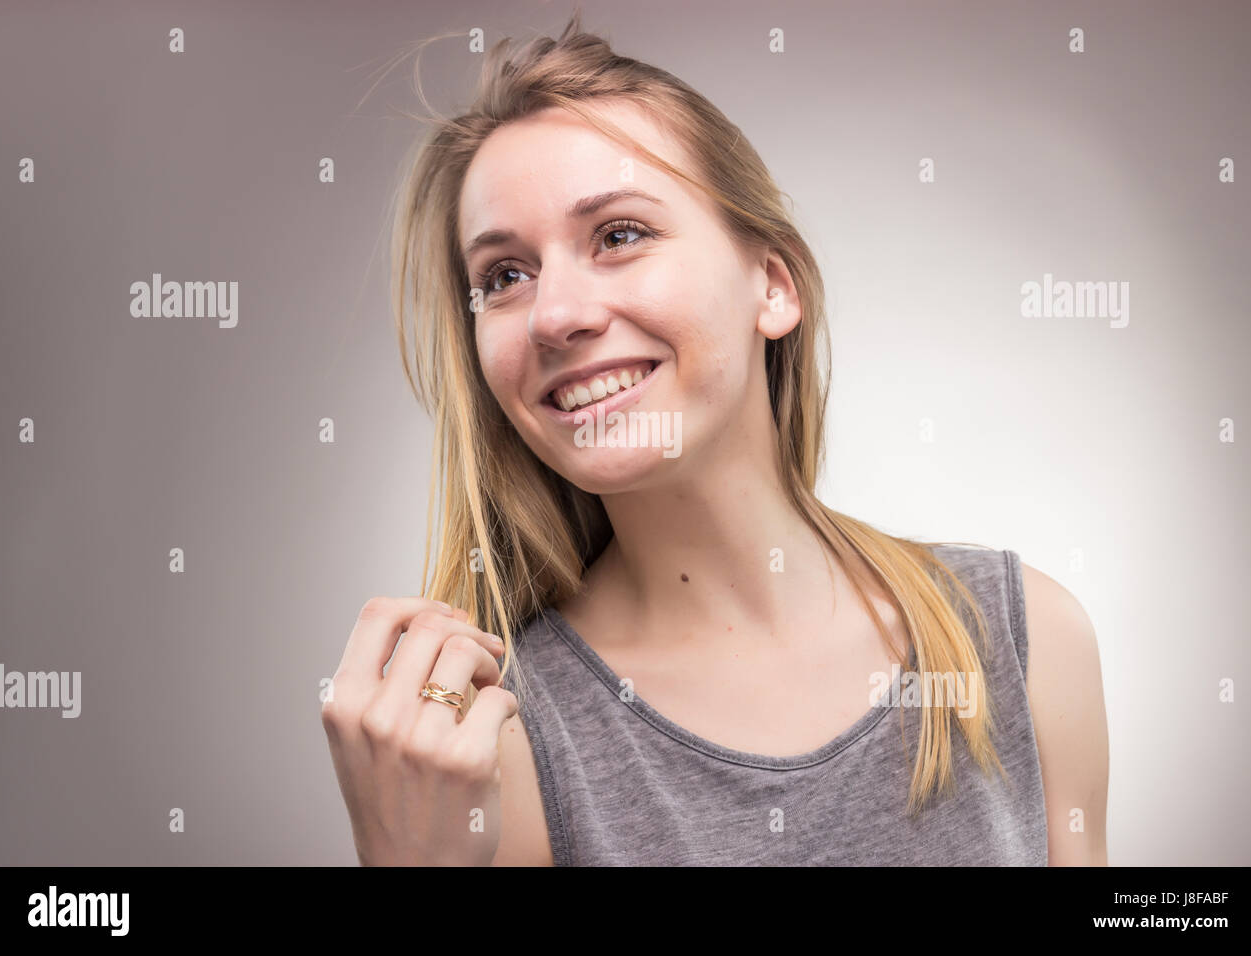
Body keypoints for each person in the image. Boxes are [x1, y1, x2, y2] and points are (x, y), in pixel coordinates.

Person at [321, 10, 1109, 866]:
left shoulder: (1024, 639)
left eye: (619, 235)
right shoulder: (490, 743)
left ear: (770, 286)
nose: (555, 315)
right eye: (505, 276)